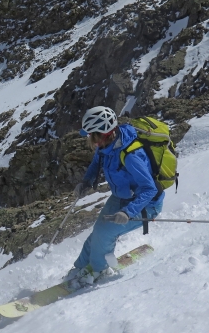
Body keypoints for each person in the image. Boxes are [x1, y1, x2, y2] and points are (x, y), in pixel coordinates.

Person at [67, 106, 164, 284]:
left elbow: (149, 189)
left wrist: (128, 212)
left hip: (145, 205)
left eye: (93, 136)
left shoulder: (130, 155)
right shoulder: (106, 145)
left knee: (104, 233)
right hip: (122, 196)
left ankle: (100, 270)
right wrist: (86, 182)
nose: (91, 140)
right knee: (98, 231)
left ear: (104, 133)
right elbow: (97, 162)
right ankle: (81, 267)